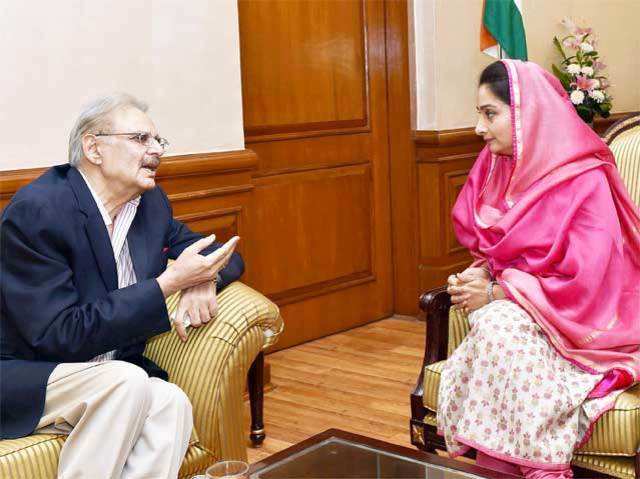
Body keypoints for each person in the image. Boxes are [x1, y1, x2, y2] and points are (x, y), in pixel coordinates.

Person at [0, 93, 244, 478]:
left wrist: (203, 278)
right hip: (27, 371)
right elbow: (57, 335)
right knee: (128, 381)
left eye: (157, 141)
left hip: (107, 373)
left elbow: (221, 252)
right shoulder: (40, 211)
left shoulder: (149, 204)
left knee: (170, 402)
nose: (155, 151)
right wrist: (168, 283)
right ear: (94, 148)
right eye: (139, 139)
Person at [439, 60, 640, 479]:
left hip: (590, 313)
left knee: (496, 326)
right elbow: (509, 251)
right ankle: (530, 465)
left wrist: (498, 291)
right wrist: (484, 272)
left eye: (489, 113)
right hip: (536, 309)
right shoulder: (497, 167)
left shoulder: (583, 178)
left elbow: (589, 277)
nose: (479, 127)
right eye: (479, 113)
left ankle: (534, 467)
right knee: (496, 327)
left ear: (527, 113)